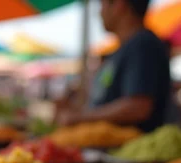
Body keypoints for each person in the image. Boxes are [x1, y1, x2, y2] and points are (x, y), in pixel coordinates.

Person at [57, 0, 171, 133]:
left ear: (119, 5)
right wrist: (75, 109)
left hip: (128, 150)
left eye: (102, 4)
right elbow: (107, 100)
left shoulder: (142, 45)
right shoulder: (124, 49)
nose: (99, 12)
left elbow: (138, 106)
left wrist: (79, 118)